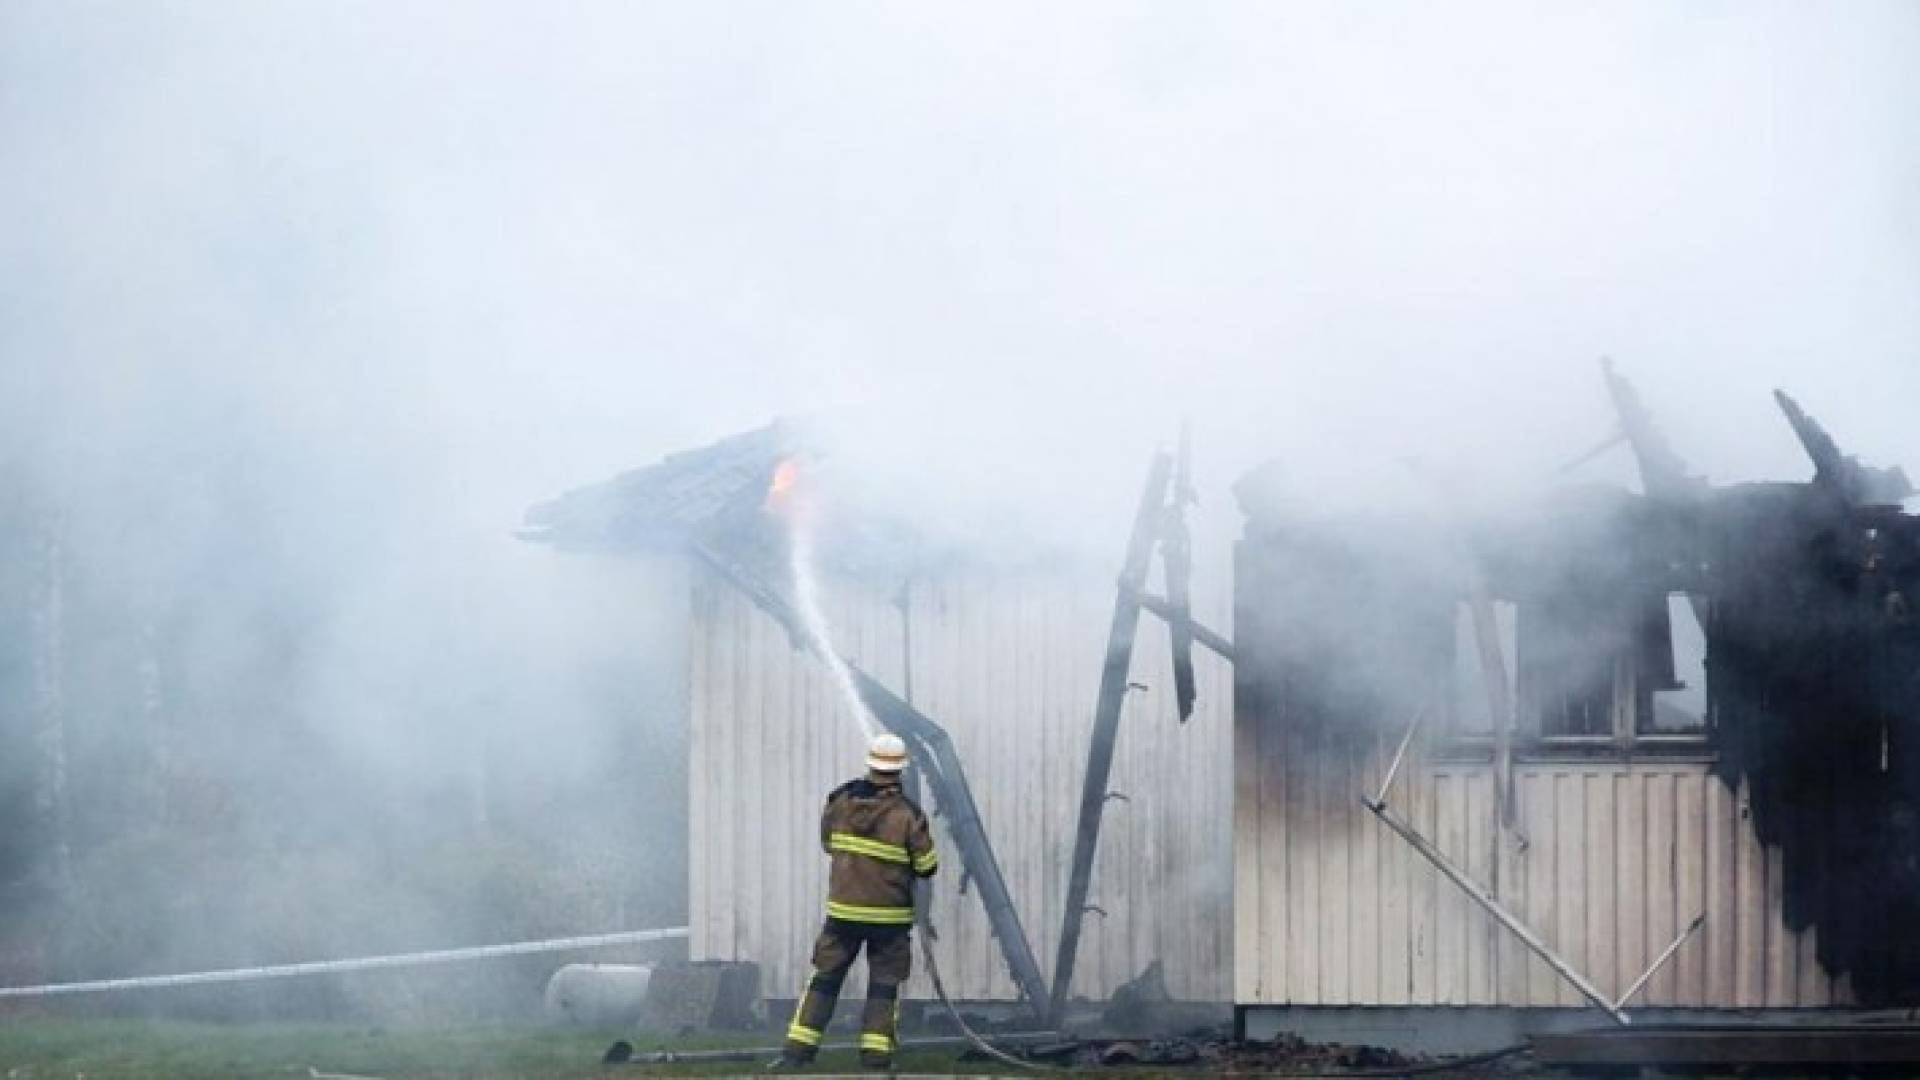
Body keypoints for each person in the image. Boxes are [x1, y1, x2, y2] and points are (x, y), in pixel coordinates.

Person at [776, 732, 938, 1071]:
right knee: (883, 985)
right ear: (900, 770)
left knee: (825, 978)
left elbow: (828, 844)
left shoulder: (840, 802)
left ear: (871, 764)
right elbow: (927, 866)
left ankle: (796, 1054)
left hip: (843, 912)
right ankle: (875, 1059)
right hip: (890, 920)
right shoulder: (909, 815)